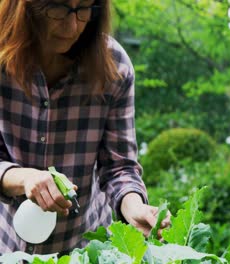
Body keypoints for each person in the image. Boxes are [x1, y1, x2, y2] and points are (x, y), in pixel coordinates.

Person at [0, 0, 170, 255]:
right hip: (7, 245)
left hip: (83, 250)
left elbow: (119, 166)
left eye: (83, 9)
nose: (72, 26)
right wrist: (24, 178)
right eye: (59, 8)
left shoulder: (115, 67)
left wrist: (134, 207)